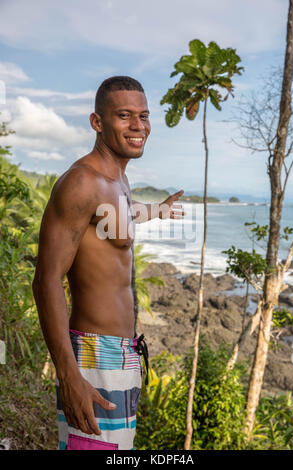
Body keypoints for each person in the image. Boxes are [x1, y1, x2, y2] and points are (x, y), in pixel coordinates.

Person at [32, 76, 185, 450]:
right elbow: (47, 280)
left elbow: (118, 216)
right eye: (124, 116)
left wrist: (158, 210)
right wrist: (69, 376)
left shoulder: (117, 180)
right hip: (92, 358)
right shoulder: (81, 182)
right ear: (97, 122)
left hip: (123, 355)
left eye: (144, 116)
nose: (139, 126)